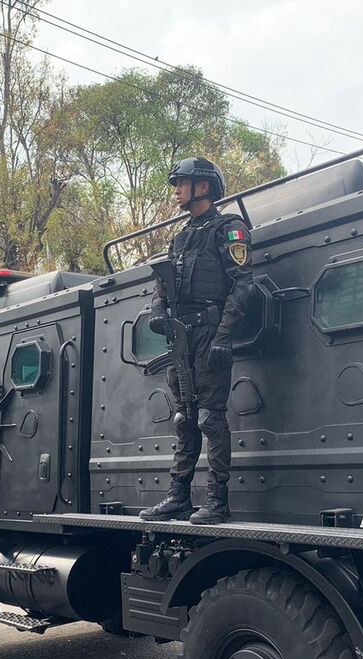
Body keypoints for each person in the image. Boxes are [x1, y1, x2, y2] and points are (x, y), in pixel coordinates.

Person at [139, 157, 253, 525]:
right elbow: (161, 283)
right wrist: (158, 310)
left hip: (209, 332)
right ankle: (178, 496)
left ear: (202, 187)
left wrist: (223, 336)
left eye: (181, 183)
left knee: (209, 417)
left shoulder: (229, 229)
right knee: (184, 418)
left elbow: (242, 284)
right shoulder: (181, 236)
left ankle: (217, 499)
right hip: (180, 336)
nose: (176, 190)